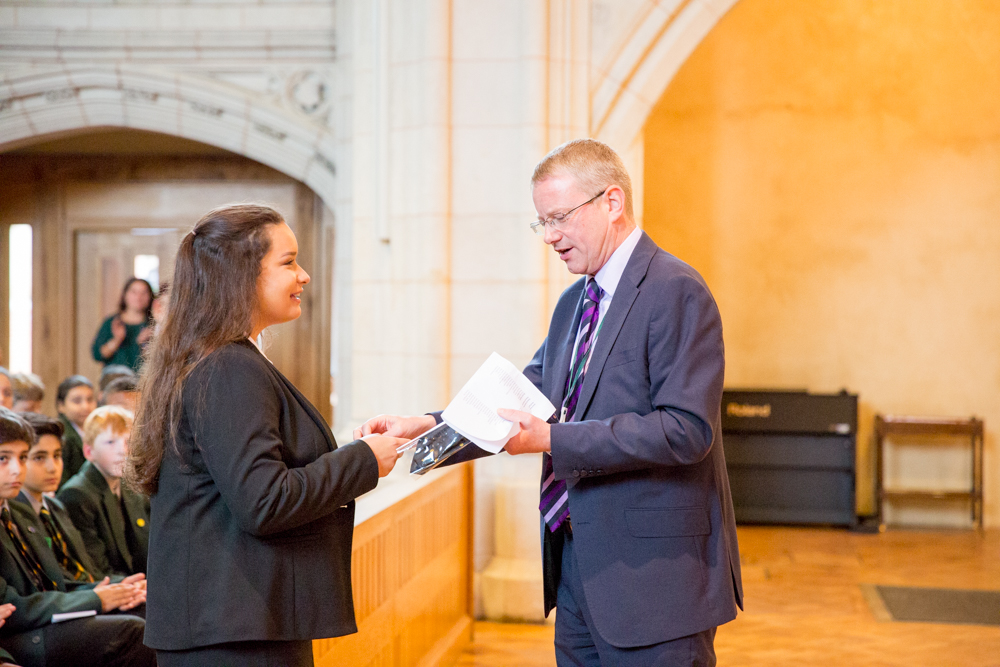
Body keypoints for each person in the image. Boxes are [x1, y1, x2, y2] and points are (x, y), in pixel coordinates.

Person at [357, 139, 743, 666]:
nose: (550, 237)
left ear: (612, 202)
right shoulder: (575, 302)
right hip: (579, 571)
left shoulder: (676, 289)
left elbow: (686, 430)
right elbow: (524, 397)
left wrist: (552, 440)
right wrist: (424, 425)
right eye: (542, 223)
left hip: (656, 579)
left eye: (559, 217)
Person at [127, 204, 407, 666]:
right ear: (241, 275)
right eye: (288, 262)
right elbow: (264, 501)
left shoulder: (215, 358)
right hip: (232, 631)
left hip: (233, 622)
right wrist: (363, 460)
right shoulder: (228, 366)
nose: (304, 276)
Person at [0, 407, 154, 667]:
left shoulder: (19, 514)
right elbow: (13, 607)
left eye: (23, 457)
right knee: (131, 631)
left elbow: (59, 582)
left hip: (45, 617)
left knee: (145, 607)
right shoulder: (74, 495)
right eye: (4, 458)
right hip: (19, 634)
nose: (17, 469)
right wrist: (95, 598)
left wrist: (114, 590)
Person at [57, 406, 148, 578]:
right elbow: (96, 568)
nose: (123, 451)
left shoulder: (130, 486)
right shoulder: (77, 495)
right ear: (89, 451)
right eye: (111, 442)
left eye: (128, 442)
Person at [15, 413, 102, 582]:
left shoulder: (55, 506)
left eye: (57, 456)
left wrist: (117, 587)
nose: (52, 467)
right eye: (39, 457)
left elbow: (82, 569)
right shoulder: (12, 515)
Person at [91, 278, 155, 372]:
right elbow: (98, 355)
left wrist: (145, 345)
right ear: (125, 295)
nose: (139, 297)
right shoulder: (112, 323)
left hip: (144, 380)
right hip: (115, 380)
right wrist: (117, 340)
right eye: (134, 292)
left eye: (144, 292)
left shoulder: (153, 325)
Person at [54, 376, 97, 488]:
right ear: (61, 406)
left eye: (90, 399)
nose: (85, 406)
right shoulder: (61, 436)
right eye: (77, 401)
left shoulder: (97, 429)